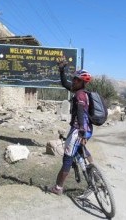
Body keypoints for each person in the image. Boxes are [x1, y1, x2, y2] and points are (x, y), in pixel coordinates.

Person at [49, 59, 94, 196]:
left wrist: (81, 130)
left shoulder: (80, 95)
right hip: (85, 128)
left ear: (82, 82)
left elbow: (80, 112)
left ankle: (58, 188)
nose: (73, 81)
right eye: (74, 79)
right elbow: (64, 83)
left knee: (67, 158)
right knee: (81, 152)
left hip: (78, 130)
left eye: (76, 79)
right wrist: (61, 70)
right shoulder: (82, 92)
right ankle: (94, 177)